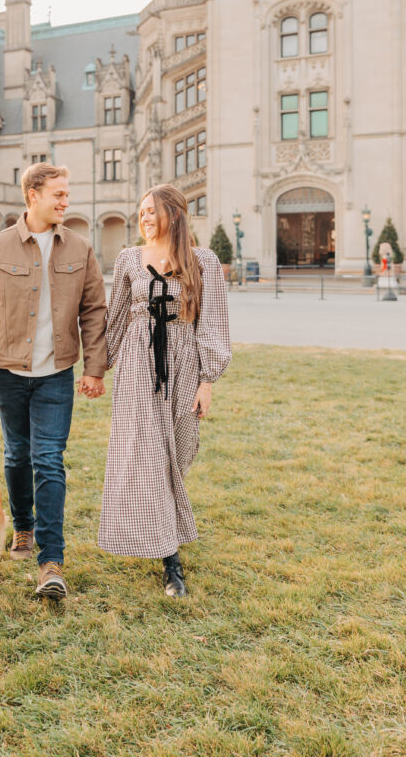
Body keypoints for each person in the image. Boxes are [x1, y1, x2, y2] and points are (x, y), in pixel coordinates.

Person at [0, 163, 107, 598]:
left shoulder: (80, 248)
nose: (66, 201)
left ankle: (51, 561)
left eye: (67, 193)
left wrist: (95, 367)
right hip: (7, 372)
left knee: (48, 460)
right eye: (58, 194)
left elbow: (95, 309)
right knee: (16, 456)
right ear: (32, 197)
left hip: (56, 376)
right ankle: (22, 527)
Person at [98, 183, 231, 597]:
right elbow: (115, 319)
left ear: (174, 214)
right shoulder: (128, 260)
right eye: (142, 211)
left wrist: (207, 381)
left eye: (153, 210)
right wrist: (96, 369)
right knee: (149, 454)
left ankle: (160, 529)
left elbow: (213, 322)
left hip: (185, 360)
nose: (145, 218)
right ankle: (170, 561)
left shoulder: (203, 261)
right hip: (139, 364)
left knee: (182, 446)